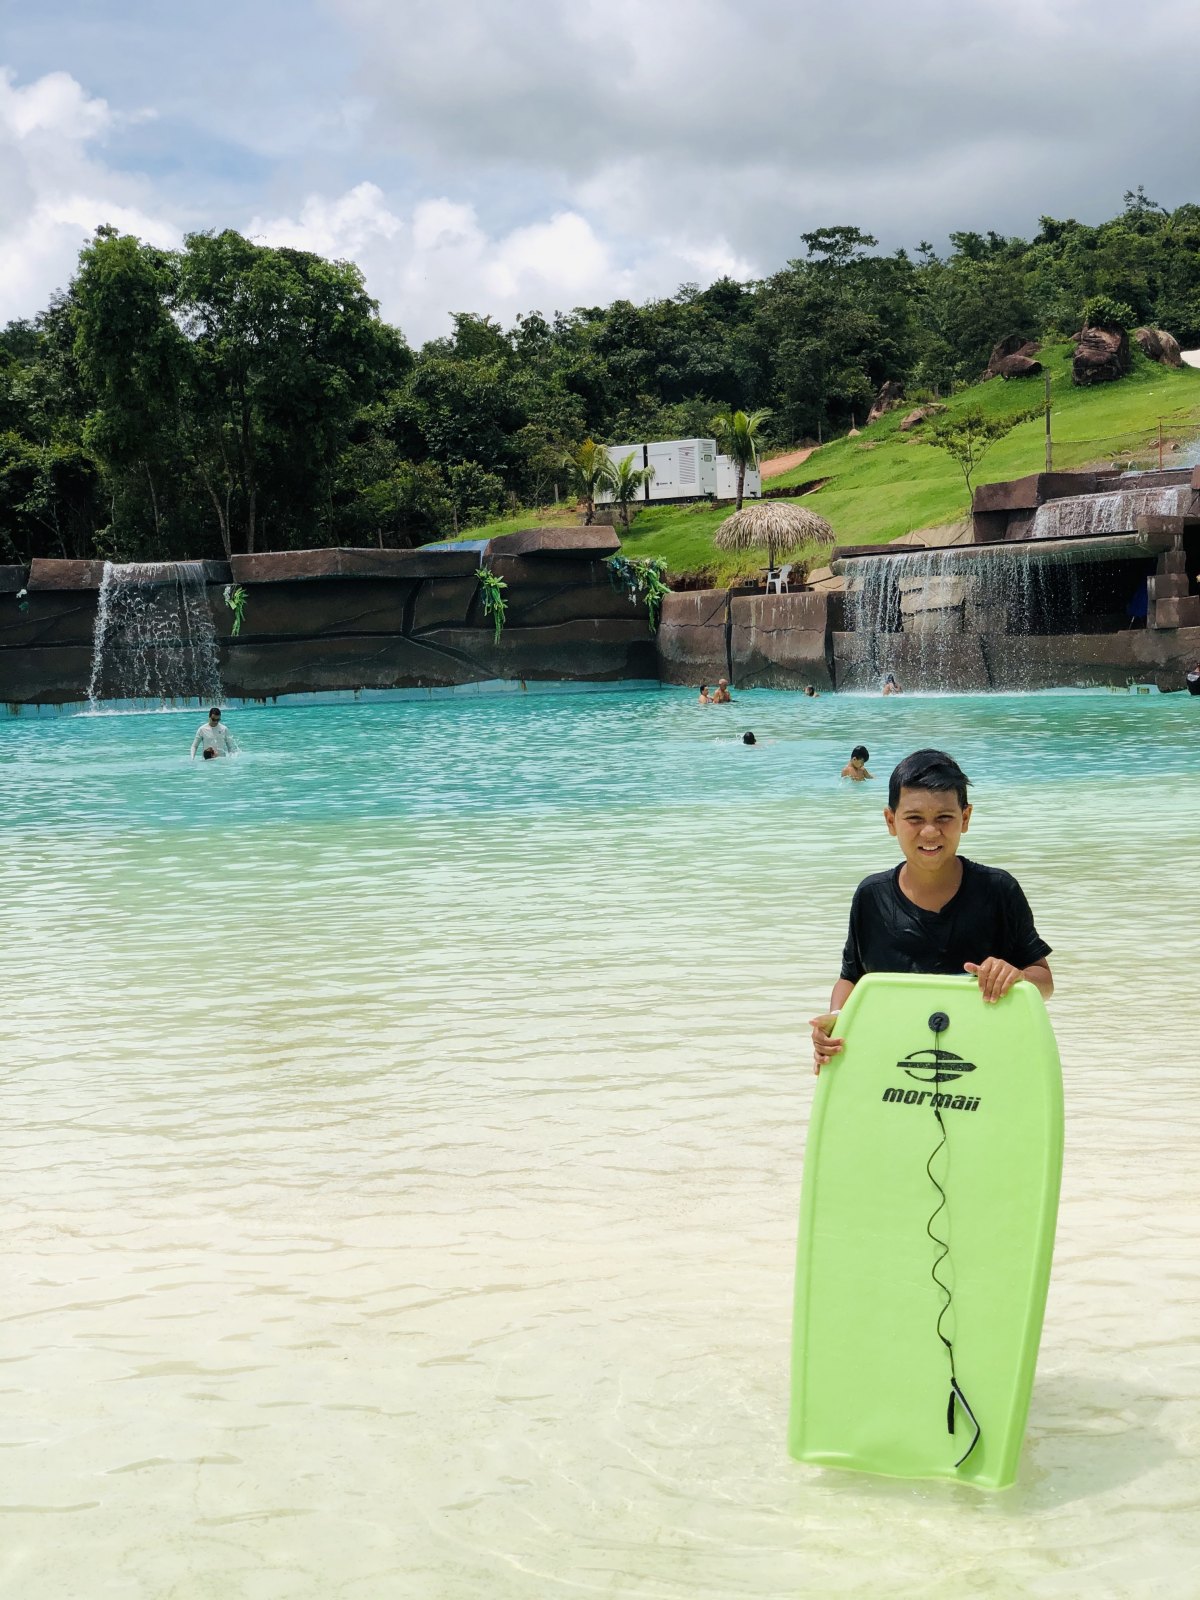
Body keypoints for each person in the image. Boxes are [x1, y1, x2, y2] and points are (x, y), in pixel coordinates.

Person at [809, 748, 1053, 1074]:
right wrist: (835, 1022)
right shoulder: (872, 897)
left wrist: (1017, 976)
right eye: (914, 818)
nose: (929, 832)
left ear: (965, 818)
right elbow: (851, 979)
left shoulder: (998, 890)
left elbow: (1045, 982)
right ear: (890, 821)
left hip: (984, 1066)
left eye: (944, 818)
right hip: (896, 1068)